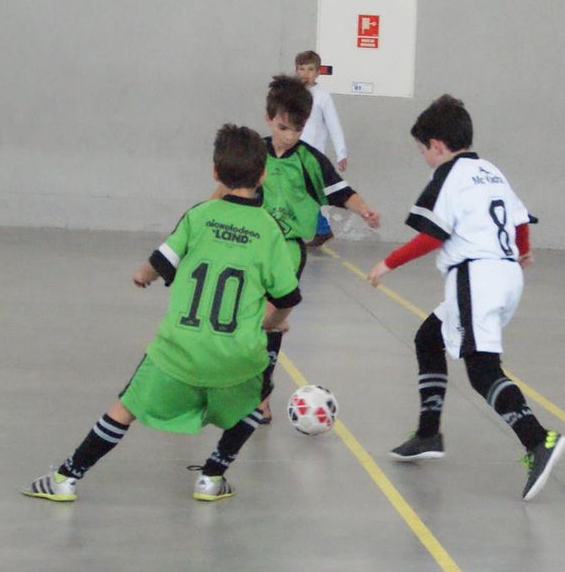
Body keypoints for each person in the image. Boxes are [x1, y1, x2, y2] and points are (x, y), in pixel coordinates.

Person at [22, 125, 303, 503]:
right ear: (264, 174)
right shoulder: (269, 231)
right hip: (235, 356)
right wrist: (271, 323)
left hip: (177, 352)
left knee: (125, 407)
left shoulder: (199, 216)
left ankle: (66, 477)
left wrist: (142, 276)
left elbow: (160, 262)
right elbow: (287, 296)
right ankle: (212, 477)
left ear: (214, 172)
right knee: (258, 399)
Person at [366, 95, 565, 501]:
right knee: (429, 337)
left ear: (437, 145)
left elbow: (433, 234)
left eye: (422, 149)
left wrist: (387, 263)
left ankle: (537, 439)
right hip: (506, 274)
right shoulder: (491, 171)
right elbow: (519, 218)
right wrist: (523, 250)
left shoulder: (448, 176)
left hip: (475, 276)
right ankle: (428, 433)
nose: (424, 157)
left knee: (482, 369)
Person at [229, 75, 379, 422]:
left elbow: (342, 191)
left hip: (288, 250)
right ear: (269, 119)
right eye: (284, 127)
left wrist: (364, 209)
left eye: (297, 129)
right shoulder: (255, 155)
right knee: (238, 318)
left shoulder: (310, 160)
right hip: (249, 247)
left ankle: (261, 397)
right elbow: (225, 189)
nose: (290, 136)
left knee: (270, 323)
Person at [295, 50, 349, 249]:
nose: (305, 73)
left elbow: (335, 126)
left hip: (313, 156)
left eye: (310, 69)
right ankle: (322, 229)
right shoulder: (291, 96)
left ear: (318, 73)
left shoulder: (323, 97)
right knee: (300, 192)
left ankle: (322, 229)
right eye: (301, 69)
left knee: (309, 193)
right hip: (293, 152)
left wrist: (341, 153)